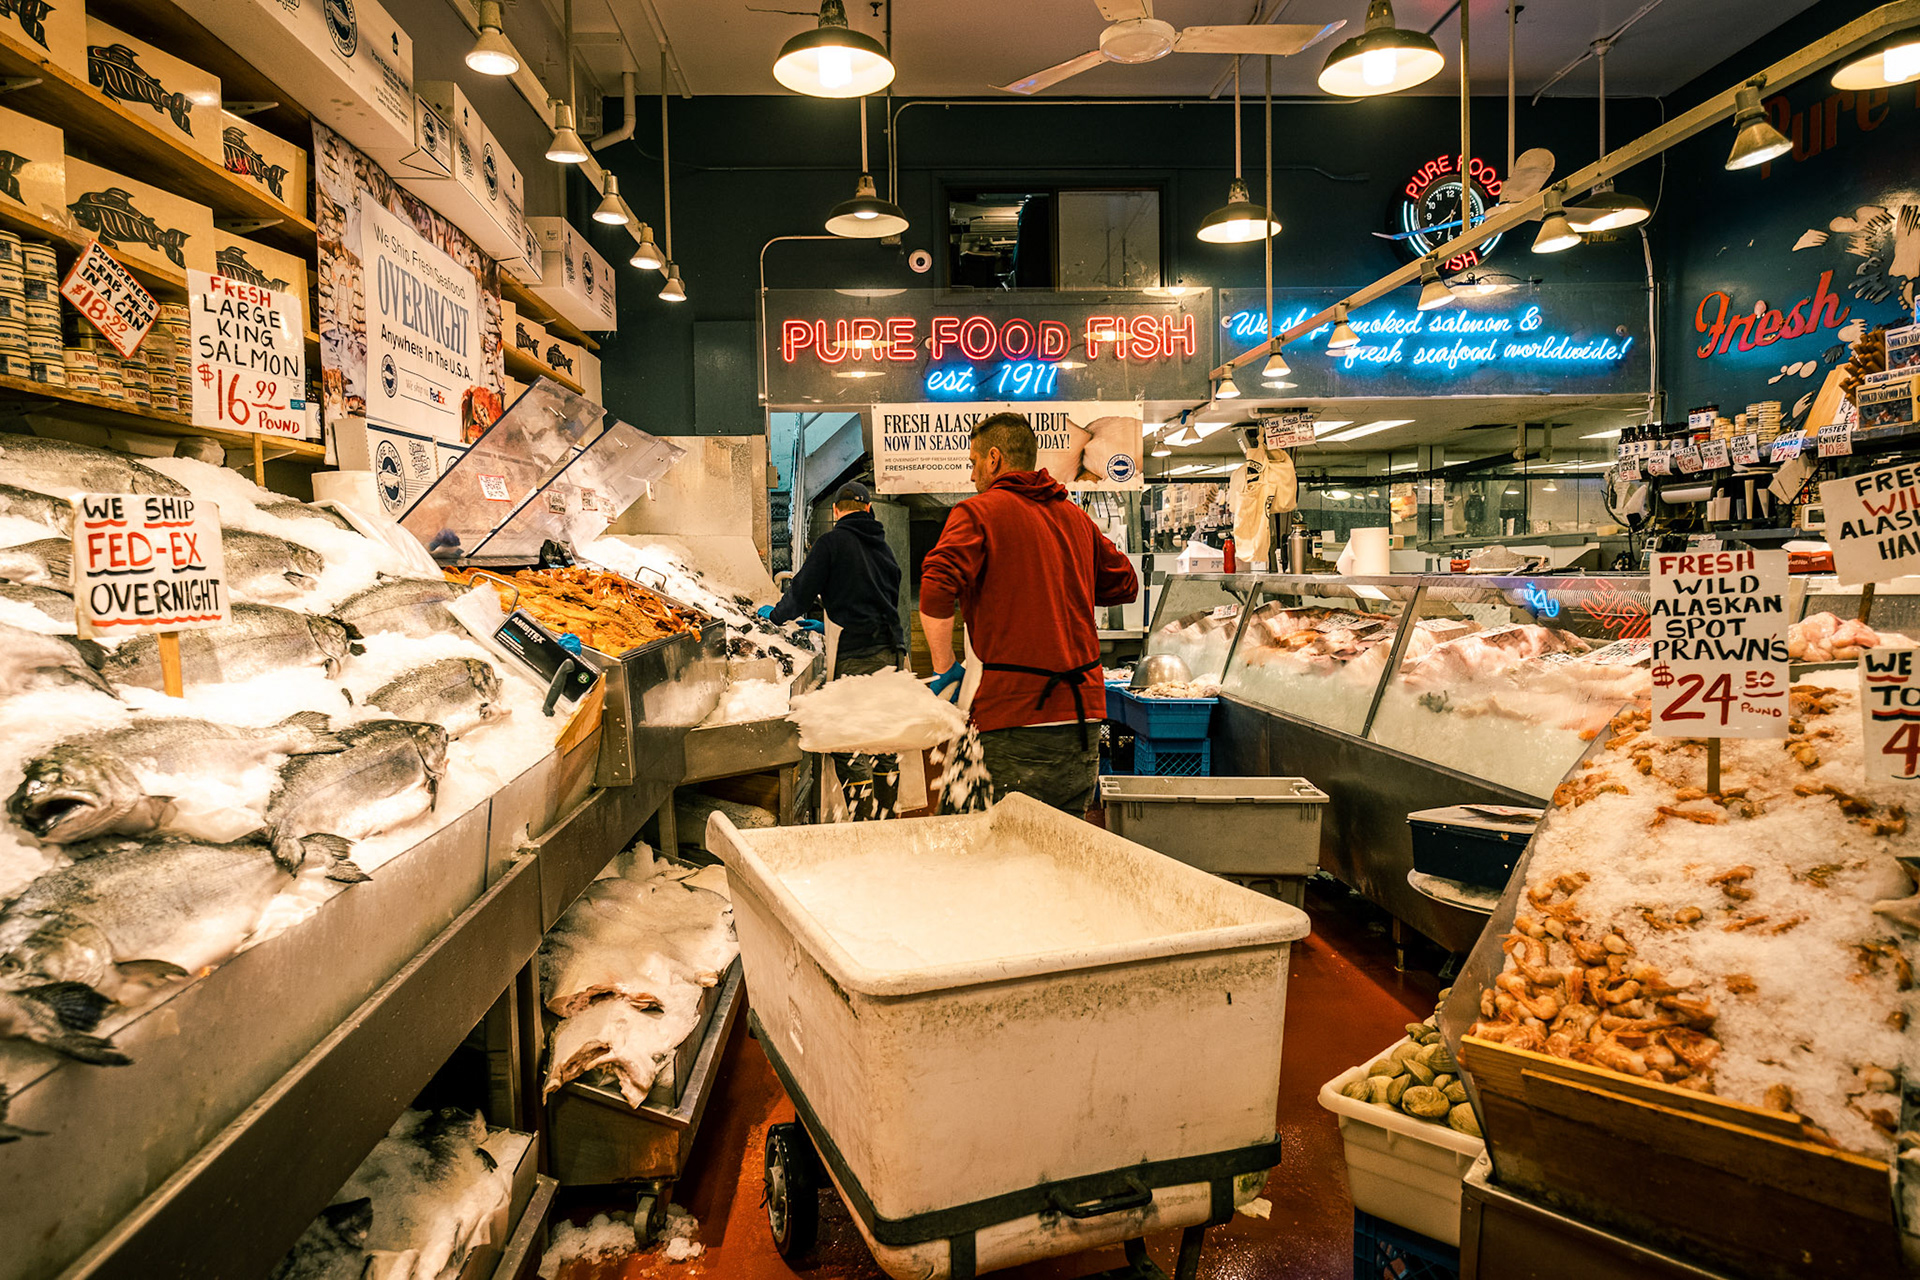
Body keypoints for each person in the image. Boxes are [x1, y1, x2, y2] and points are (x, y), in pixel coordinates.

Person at [919, 413, 1139, 815]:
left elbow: (936, 582)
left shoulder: (978, 513)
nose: (971, 475)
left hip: (1013, 717)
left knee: (980, 850)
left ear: (994, 459)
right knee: (1060, 848)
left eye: (973, 463)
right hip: (1083, 721)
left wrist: (943, 667)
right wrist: (1062, 581)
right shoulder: (1076, 519)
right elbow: (1125, 583)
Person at [760, 481, 906, 818]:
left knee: (848, 740)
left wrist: (777, 615)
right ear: (869, 509)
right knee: (883, 739)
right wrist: (827, 626)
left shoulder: (831, 542)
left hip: (858, 656)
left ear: (837, 511)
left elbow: (800, 593)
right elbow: (877, 601)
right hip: (893, 654)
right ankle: (888, 820)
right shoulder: (883, 548)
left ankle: (862, 823)